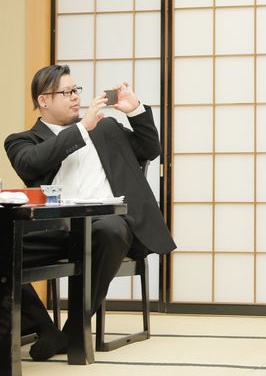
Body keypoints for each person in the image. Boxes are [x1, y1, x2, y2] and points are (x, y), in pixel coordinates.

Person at [2, 64, 176, 361]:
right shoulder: (22, 140)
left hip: (105, 227)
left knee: (111, 228)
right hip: (55, 231)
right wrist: (81, 129)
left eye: (76, 90)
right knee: (3, 248)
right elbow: (30, 164)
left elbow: (150, 149)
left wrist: (134, 110)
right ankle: (45, 328)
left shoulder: (106, 129)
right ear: (43, 100)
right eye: (66, 92)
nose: (75, 97)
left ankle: (73, 328)